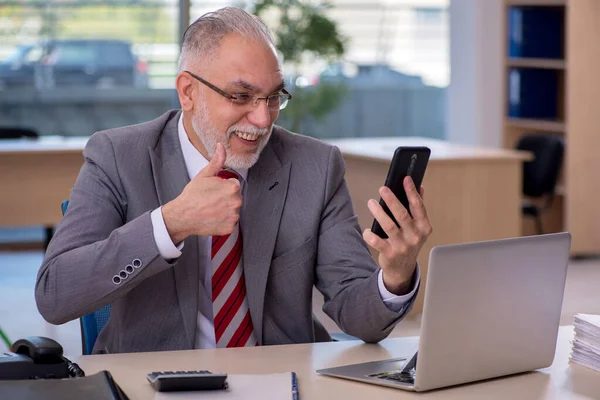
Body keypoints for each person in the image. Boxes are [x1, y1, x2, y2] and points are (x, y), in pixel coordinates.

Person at [35, 7, 432, 354]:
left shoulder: (316, 165)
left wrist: (394, 277)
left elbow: (356, 314)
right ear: (188, 92)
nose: (263, 119)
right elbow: (54, 295)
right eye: (241, 97)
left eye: (274, 96)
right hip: (153, 383)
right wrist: (171, 223)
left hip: (280, 382)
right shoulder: (119, 156)